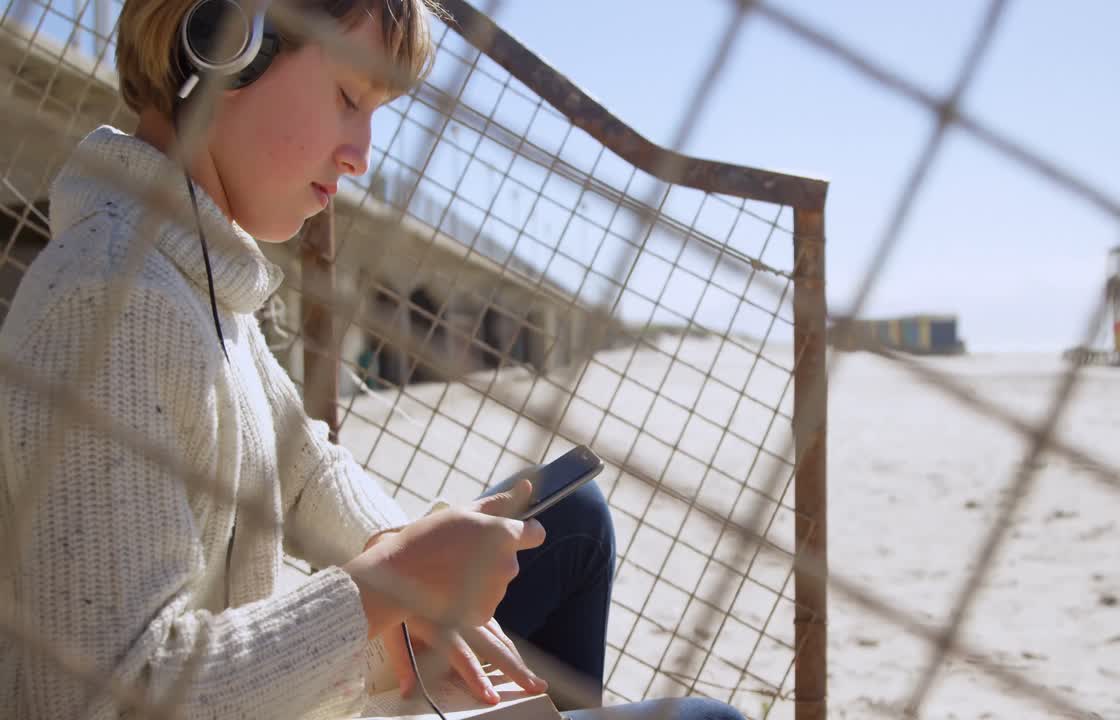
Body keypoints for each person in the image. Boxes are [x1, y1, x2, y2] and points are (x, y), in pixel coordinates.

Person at [0, 0, 746, 718]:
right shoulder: (112, 302)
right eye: (349, 97)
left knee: (569, 520)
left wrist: (413, 571)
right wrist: (382, 589)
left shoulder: (195, 273)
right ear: (225, 44)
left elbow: (302, 468)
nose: (360, 156)